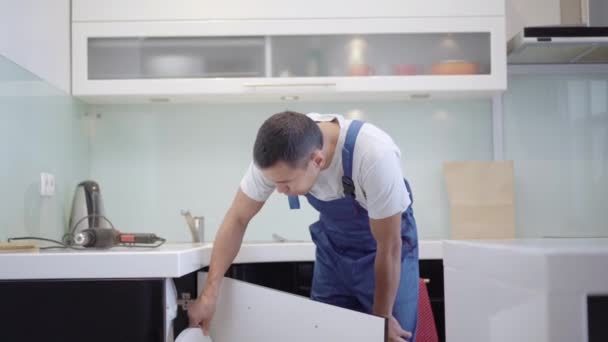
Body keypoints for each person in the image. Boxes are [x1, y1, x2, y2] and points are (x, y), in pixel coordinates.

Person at [188, 111, 419, 342]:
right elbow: (237, 218)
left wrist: (382, 320)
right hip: (333, 251)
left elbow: (388, 246)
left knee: (392, 337)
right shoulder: (280, 150)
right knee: (324, 333)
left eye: (285, 183)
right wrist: (210, 293)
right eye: (274, 182)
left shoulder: (374, 156)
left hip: (385, 251)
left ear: (317, 160)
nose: (278, 190)